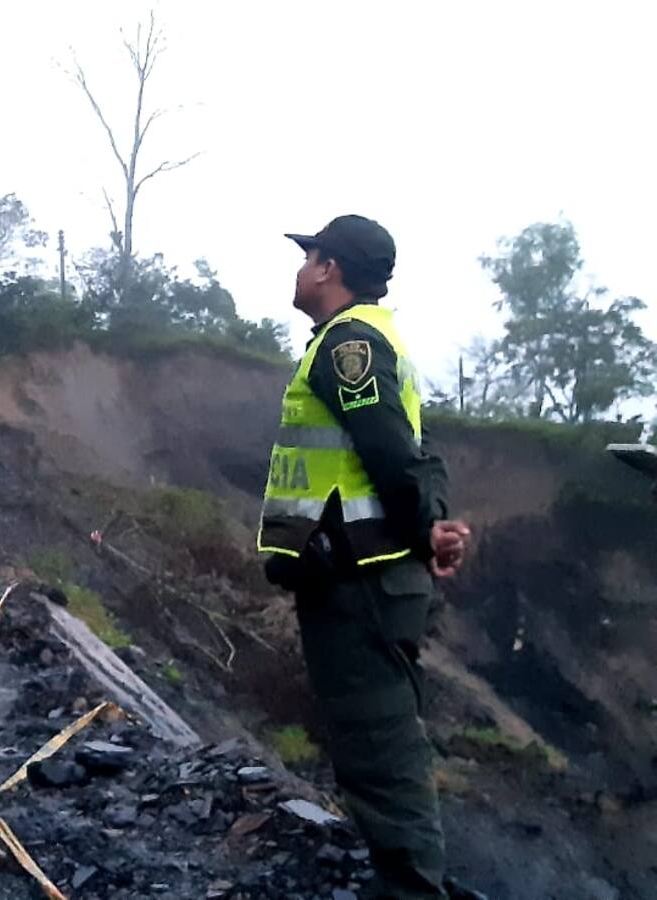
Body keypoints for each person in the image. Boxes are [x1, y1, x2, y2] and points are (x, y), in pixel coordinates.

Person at [258, 215, 471, 900]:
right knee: (375, 746)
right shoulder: (369, 341)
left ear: (329, 268)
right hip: (361, 581)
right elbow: (416, 451)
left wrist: (420, 534)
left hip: (360, 585)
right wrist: (429, 529)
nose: (298, 269)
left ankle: (410, 890)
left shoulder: (348, 346)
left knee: (382, 752)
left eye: (308, 256)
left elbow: (390, 454)